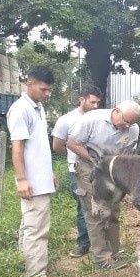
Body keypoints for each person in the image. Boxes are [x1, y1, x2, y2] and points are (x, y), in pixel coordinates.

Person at [66, 100, 140, 270]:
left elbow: (129, 152)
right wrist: (94, 160)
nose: (127, 126)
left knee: (113, 211)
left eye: (131, 123)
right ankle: (101, 258)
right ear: (116, 111)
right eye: (125, 121)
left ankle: (115, 252)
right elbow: (71, 143)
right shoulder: (92, 119)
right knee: (95, 212)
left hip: (113, 169)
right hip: (89, 164)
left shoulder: (133, 129)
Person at [7, 66, 56, 277]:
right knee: (37, 229)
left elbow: (39, 147)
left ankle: (24, 263)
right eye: (43, 89)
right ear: (29, 84)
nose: (47, 94)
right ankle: (35, 276)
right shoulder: (21, 110)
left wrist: (50, 172)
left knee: (30, 224)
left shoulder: (37, 107)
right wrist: (22, 179)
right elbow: (17, 147)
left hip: (41, 179)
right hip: (32, 182)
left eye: (48, 90)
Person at [51, 86, 102, 258]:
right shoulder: (67, 120)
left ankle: (101, 242)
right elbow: (57, 146)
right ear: (82, 99)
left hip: (99, 170)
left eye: (98, 103)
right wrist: (75, 156)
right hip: (77, 171)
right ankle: (83, 243)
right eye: (92, 101)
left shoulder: (98, 119)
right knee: (83, 207)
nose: (96, 106)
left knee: (101, 204)